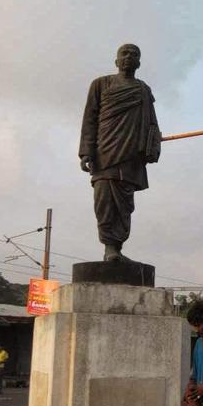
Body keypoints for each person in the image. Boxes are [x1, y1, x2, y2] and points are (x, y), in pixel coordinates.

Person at [79, 44, 161, 262]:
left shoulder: (143, 89)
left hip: (132, 155)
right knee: (104, 201)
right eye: (124, 53)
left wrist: (153, 146)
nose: (129, 57)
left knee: (125, 205)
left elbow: (152, 122)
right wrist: (86, 151)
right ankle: (109, 249)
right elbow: (90, 118)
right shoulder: (100, 84)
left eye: (134, 54)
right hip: (105, 152)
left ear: (139, 62)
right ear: (116, 61)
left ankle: (117, 248)